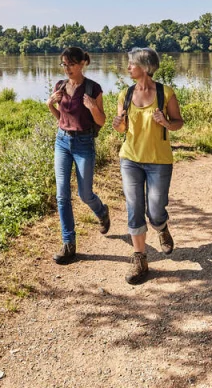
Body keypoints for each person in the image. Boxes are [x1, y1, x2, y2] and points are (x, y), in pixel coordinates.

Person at [112, 47, 184, 284]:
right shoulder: (125, 94)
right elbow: (122, 129)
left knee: (154, 210)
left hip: (159, 161)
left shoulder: (165, 93)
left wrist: (165, 121)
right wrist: (118, 124)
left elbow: (178, 123)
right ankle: (140, 259)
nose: (128, 68)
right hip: (130, 159)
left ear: (144, 66)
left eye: (131, 64)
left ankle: (161, 226)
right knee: (134, 207)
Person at [46, 47, 109, 264]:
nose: (67, 68)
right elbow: (60, 118)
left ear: (82, 63)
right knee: (62, 195)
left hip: (84, 144)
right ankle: (69, 244)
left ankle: (101, 212)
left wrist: (92, 107)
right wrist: (49, 104)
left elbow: (101, 121)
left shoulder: (93, 88)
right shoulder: (60, 86)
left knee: (85, 194)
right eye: (64, 64)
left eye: (71, 64)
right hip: (62, 142)